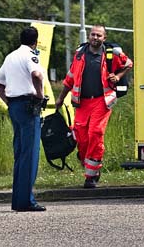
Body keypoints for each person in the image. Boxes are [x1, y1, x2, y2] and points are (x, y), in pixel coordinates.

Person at [54, 25, 133, 188]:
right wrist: (61, 98)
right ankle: (86, 159)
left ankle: (91, 176)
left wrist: (117, 76)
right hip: (82, 102)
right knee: (81, 137)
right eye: (93, 35)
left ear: (104, 38)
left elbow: (128, 64)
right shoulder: (79, 55)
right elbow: (69, 79)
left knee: (95, 133)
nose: (95, 38)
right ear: (88, 37)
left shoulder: (112, 53)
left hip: (102, 101)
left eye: (99, 35)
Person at [0, 26, 47, 212]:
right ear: (36, 41)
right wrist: (40, 95)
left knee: (20, 153)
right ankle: (26, 201)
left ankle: (18, 200)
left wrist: (8, 101)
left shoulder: (10, 57)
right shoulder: (31, 55)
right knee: (30, 155)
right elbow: (37, 74)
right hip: (29, 105)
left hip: (14, 105)